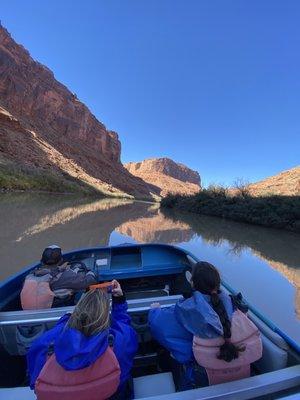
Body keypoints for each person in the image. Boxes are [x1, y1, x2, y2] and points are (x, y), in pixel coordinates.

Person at [148, 261, 262, 389]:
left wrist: (154, 311)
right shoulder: (236, 307)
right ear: (218, 284)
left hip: (200, 382)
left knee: (171, 354)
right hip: (241, 375)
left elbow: (157, 327)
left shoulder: (182, 311)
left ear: (192, 283)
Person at [27, 280, 138, 400]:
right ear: (105, 313)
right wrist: (119, 301)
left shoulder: (44, 343)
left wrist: (66, 319)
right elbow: (124, 327)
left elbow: (34, 381)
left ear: (77, 309)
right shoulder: (121, 339)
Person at [21, 245, 97, 309]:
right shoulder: (65, 276)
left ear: (41, 261)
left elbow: (49, 273)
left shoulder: (30, 276)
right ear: (61, 261)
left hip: (31, 312)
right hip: (55, 310)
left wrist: (60, 269)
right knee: (82, 291)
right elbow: (89, 281)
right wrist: (90, 271)